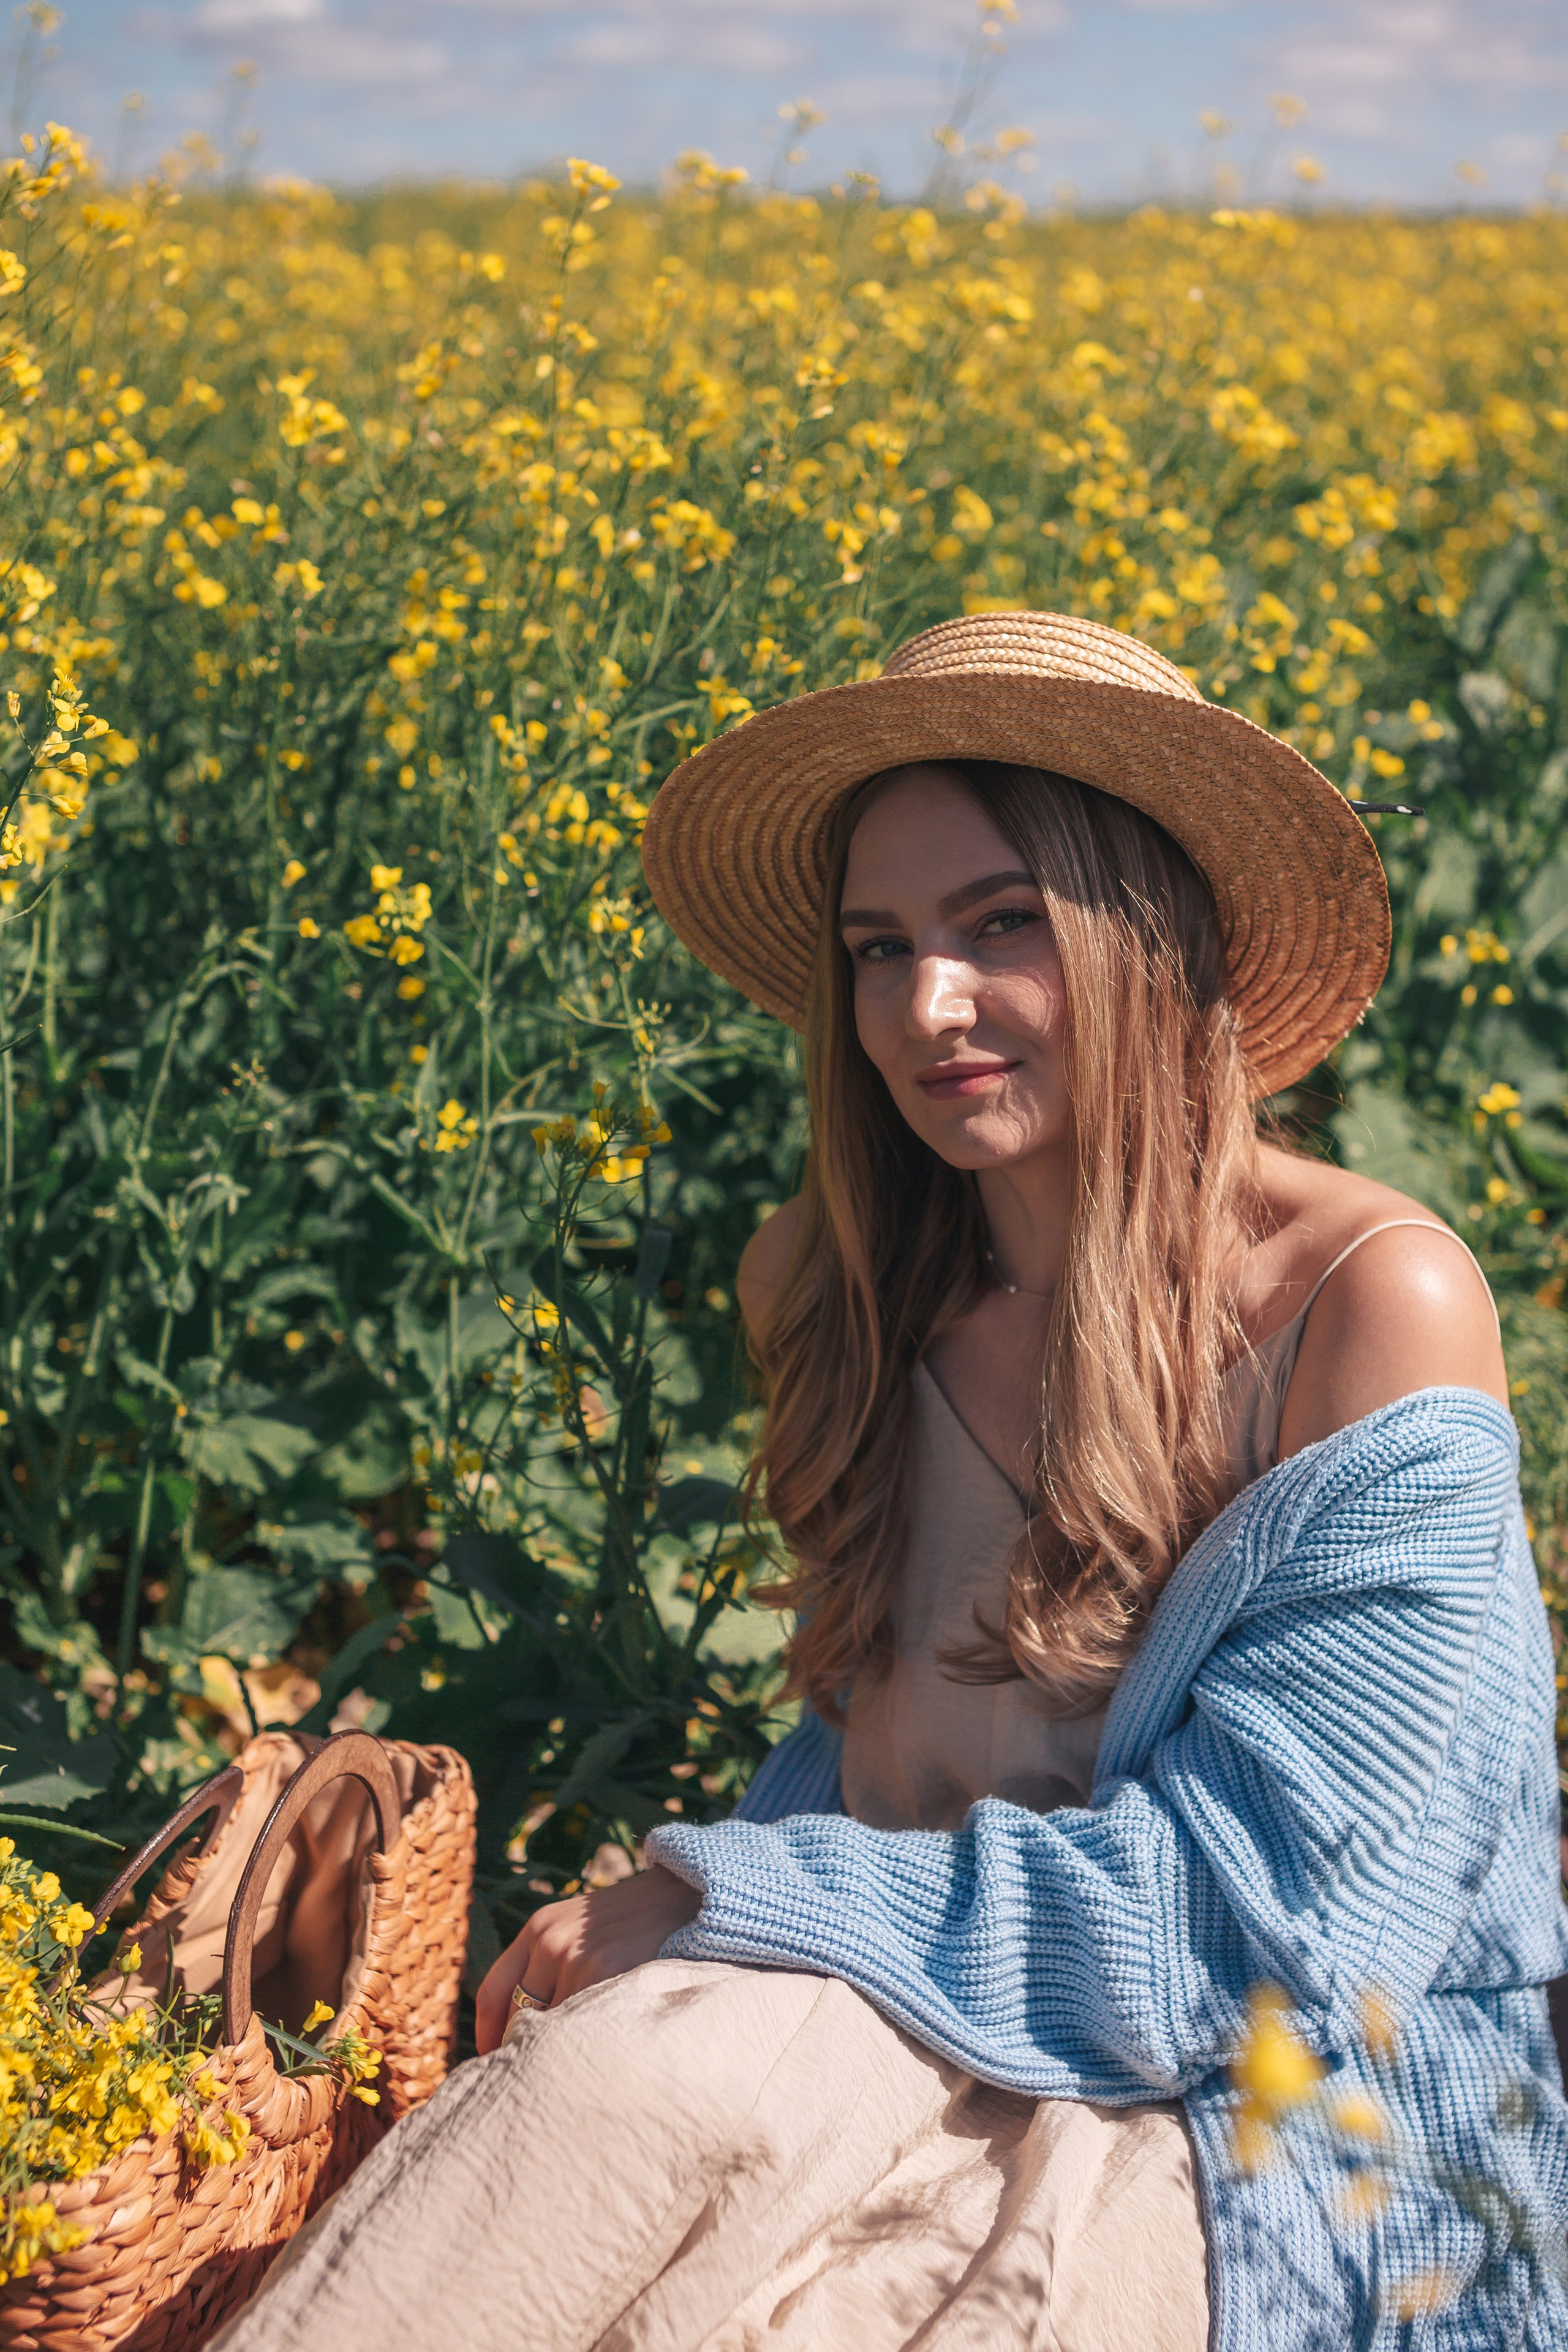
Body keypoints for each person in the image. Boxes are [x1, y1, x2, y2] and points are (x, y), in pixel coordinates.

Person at [213, 612, 1568, 2352]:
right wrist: (714, 1924)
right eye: (878, 946)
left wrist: (721, 1898)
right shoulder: (837, 1293)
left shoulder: (1366, 1307)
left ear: (1146, 932)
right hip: (918, 2015)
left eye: (1003, 924)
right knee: (591, 2102)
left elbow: (1269, 1932)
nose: (926, 1010)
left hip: (1277, 2125)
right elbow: (863, 1787)